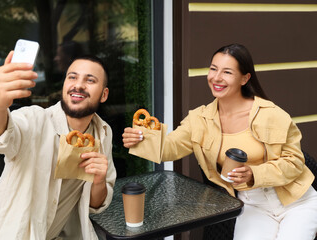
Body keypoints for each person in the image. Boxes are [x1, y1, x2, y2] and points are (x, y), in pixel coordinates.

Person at [122, 43, 317, 240]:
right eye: (213, 69)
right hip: (253, 205)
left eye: (227, 72)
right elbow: (168, 148)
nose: (216, 78)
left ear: (245, 78)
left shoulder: (272, 114)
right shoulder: (199, 120)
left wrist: (253, 174)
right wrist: (140, 139)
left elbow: (295, 163)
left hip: (296, 201)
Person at [0, 51, 116, 239]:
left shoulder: (103, 133)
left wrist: (99, 181)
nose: (78, 85)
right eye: (72, 77)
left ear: (104, 94)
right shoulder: (35, 120)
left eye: (90, 80)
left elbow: (95, 205)